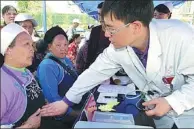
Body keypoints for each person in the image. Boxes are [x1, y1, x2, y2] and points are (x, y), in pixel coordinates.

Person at [40, 0, 194, 128]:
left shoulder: (181, 36)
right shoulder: (118, 49)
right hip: (161, 116)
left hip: (189, 115)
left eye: (111, 28)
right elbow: (94, 72)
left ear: (135, 27)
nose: (106, 34)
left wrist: (172, 102)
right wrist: (66, 102)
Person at [0, 23, 65, 129]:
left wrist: (49, 106)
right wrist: (28, 126)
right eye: (26, 44)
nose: (32, 50)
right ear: (8, 50)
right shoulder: (3, 83)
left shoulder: (26, 72)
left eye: (31, 45)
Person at [36, 26, 82, 128]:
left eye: (65, 44)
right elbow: (52, 99)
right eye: (58, 45)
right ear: (49, 46)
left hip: (74, 107)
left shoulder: (66, 60)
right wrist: (77, 114)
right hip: (61, 119)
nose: (63, 48)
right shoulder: (47, 66)